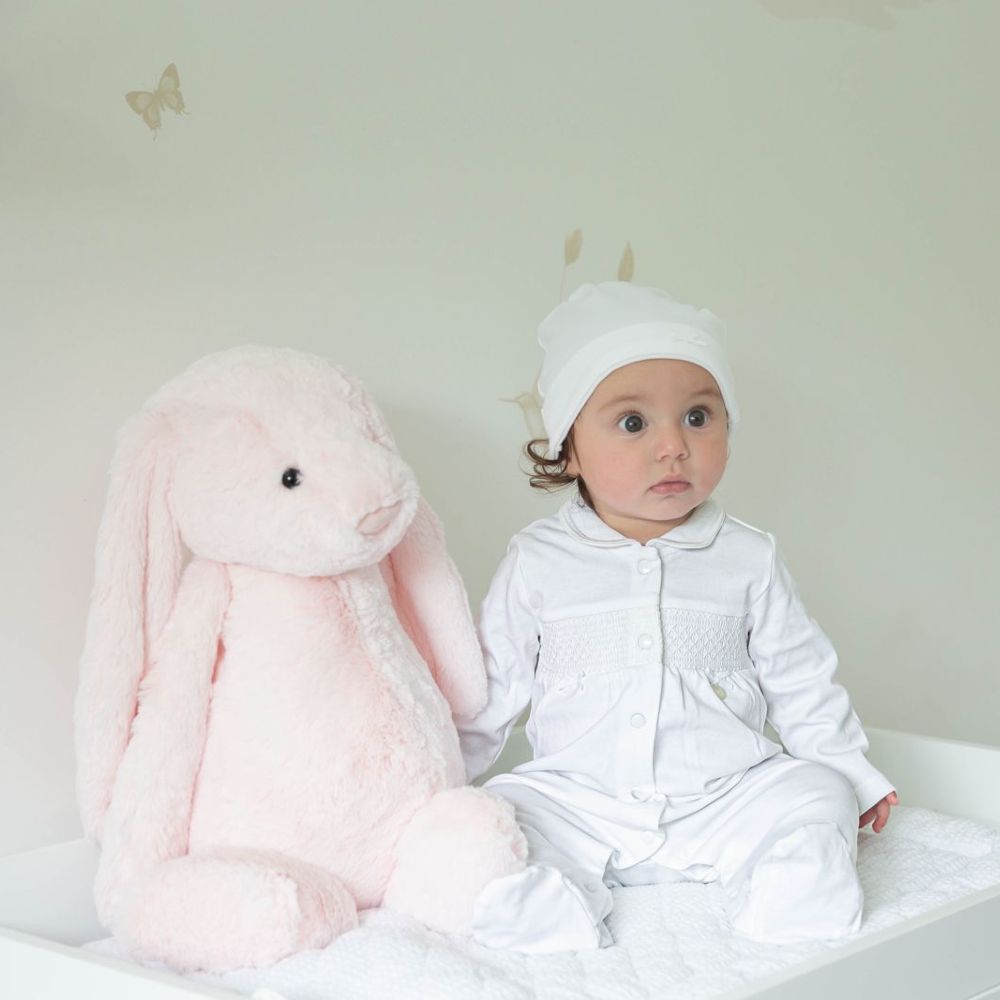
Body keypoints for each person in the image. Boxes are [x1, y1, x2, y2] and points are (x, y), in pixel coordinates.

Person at [456, 281, 898, 953]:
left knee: (816, 793)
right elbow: (491, 687)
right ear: (568, 448)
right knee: (489, 819)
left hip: (725, 797)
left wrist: (852, 771)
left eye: (698, 417)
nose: (673, 446)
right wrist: (441, 782)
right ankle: (549, 901)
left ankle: (791, 891)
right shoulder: (538, 561)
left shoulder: (747, 555)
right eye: (633, 423)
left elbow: (800, 676)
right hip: (580, 800)